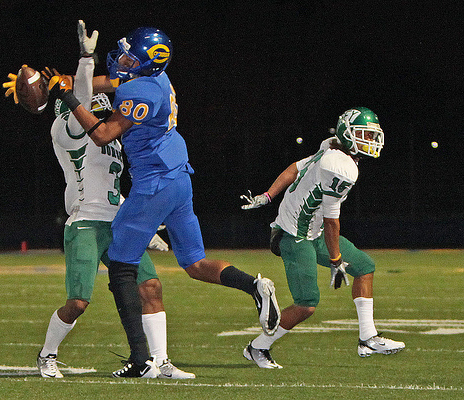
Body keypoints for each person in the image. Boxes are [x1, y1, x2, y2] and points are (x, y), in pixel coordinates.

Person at [43, 23, 281, 378]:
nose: (122, 60)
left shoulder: (138, 92)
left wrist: (71, 98)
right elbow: (111, 82)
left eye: (129, 57)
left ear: (144, 62)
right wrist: (74, 73)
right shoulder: (158, 79)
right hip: (180, 178)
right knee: (195, 264)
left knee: (121, 266)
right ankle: (255, 286)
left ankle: (141, 360)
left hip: (154, 182)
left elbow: (103, 133)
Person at [3, 20, 194, 379]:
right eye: (90, 103)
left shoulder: (104, 136)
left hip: (116, 221)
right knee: (78, 302)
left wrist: (144, 224)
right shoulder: (67, 127)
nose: (96, 107)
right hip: (86, 223)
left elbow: (112, 187)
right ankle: (47, 354)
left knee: (150, 287)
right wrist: (85, 59)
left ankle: (160, 361)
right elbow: (82, 93)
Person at [240, 107, 405, 368]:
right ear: (348, 134)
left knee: (364, 267)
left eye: (372, 135)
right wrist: (336, 259)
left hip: (312, 232)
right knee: (306, 304)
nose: (371, 141)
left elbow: (295, 168)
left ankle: (368, 338)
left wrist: (269, 195)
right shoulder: (341, 167)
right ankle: (258, 347)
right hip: (294, 235)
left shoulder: (330, 146)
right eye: (364, 135)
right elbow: (331, 221)